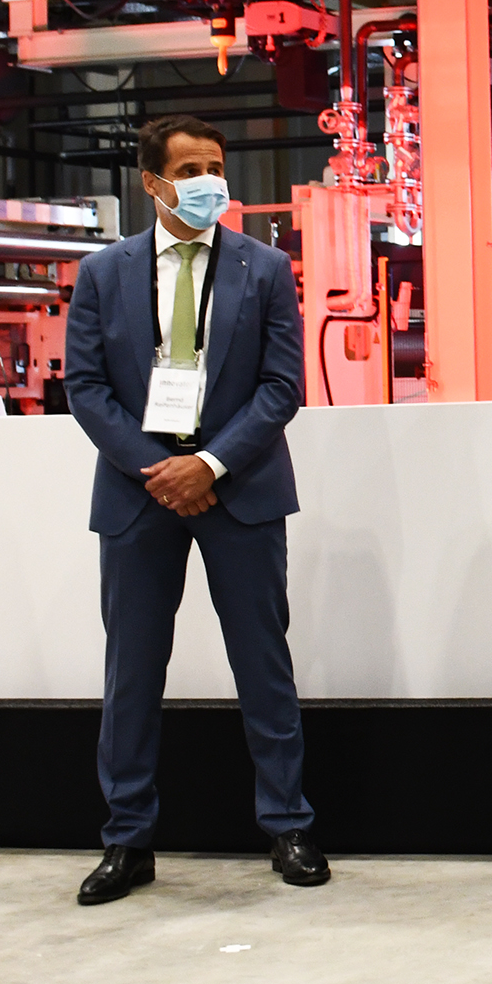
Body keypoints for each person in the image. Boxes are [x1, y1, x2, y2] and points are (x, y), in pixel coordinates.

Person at [61, 114, 323, 905]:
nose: (211, 180)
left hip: (238, 489)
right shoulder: (103, 273)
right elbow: (87, 389)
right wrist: (157, 468)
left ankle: (288, 823)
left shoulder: (265, 267)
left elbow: (283, 386)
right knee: (131, 671)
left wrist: (207, 463)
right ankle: (127, 839)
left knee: (262, 663)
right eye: (192, 168)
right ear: (152, 183)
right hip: (140, 495)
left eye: (216, 164)